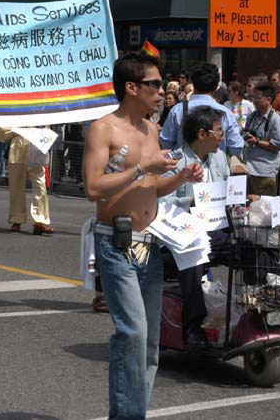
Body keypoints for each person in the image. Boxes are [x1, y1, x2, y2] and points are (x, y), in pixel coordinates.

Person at [83, 52, 202, 419]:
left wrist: (179, 179)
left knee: (150, 341)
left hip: (149, 243)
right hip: (115, 241)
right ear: (131, 87)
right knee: (132, 332)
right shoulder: (104, 128)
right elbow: (92, 187)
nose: (162, 90)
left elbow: (151, 187)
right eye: (154, 84)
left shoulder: (152, 129)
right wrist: (140, 169)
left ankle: (136, 412)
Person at [160, 106, 230, 350]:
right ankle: (194, 324)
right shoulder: (176, 162)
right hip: (180, 235)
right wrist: (189, 201)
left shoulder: (220, 158)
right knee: (194, 253)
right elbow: (160, 202)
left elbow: (227, 192)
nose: (223, 136)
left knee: (252, 244)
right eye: (219, 131)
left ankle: (258, 311)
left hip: (216, 229)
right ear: (202, 134)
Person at [160, 62, 244, 157]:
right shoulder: (225, 113)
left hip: (184, 167)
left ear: (193, 84)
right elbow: (236, 147)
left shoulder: (178, 110)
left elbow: (166, 141)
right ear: (216, 86)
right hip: (216, 168)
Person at [0, 127, 54, 235]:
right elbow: (2, 134)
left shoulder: (40, 110)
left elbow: (46, 129)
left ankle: (40, 220)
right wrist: (14, 132)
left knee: (40, 185)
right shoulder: (14, 111)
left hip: (36, 150)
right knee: (16, 188)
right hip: (17, 152)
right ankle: (16, 219)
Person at [243, 82, 280, 196]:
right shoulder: (252, 116)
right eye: (253, 98)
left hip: (264, 172)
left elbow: (276, 146)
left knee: (265, 209)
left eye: (258, 98)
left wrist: (256, 142)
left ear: (268, 99)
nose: (254, 101)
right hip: (249, 168)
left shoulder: (276, 121)